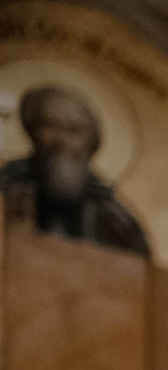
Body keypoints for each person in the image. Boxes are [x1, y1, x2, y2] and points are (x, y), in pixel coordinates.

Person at [0, 85, 150, 256]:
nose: (62, 140)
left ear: (92, 142)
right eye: (50, 125)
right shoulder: (5, 187)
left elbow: (138, 270)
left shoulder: (116, 222)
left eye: (74, 130)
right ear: (32, 132)